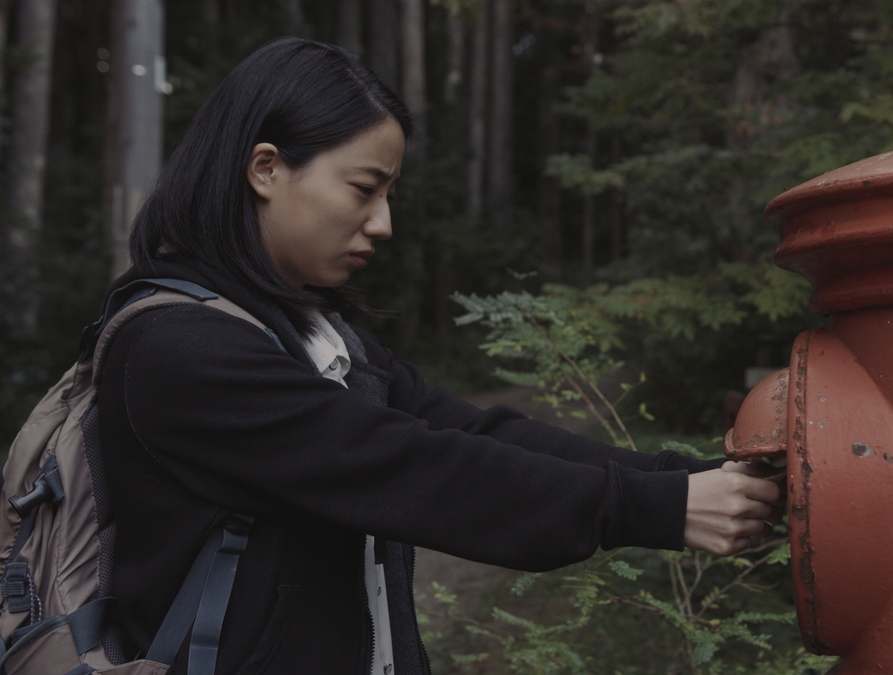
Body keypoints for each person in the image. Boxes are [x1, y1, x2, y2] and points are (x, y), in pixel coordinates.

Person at [96, 36, 781, 675]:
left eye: (389, 195)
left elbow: (474, 429)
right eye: (364, 189)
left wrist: (688, 477)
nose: (384, 223)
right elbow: (422, 469)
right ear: (267, 169)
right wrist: (655, 507)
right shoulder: (176, 350)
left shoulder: (314, 332)